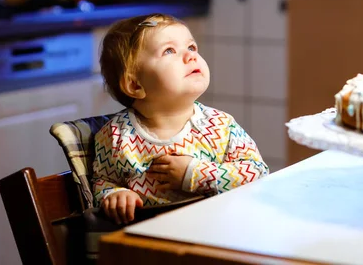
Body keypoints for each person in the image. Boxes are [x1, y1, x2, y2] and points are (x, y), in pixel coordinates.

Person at [91, 14, 269, 224]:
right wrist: (113, 195)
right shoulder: (116, 136)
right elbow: (102, 180)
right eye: (169, 51)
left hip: (217, 231)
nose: (190, 56)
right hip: (149, 241)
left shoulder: (220, 126)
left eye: (191, 47)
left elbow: (258, 174)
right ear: (135, 85)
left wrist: (194, 173)